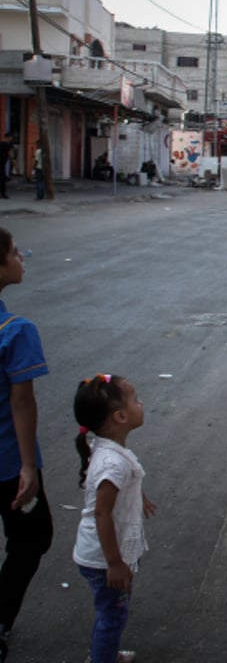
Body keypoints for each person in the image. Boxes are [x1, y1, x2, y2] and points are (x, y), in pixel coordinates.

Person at [73, 374, 154, 663]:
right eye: (135, 400)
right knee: (113, 616)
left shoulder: (109, 452)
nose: (141, 403)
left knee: (111, 612)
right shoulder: (113, 463)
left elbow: (113, 494)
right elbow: (102, 513)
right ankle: (102, 656)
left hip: (102, 554)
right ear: (120, 416)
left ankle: (104, 652)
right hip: (103, 558)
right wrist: (115, 563)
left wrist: (138, 496)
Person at [0, 228, 51, 662]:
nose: (21, 258)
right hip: (7, 463)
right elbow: (22, 402)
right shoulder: (15, 331)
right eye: (15, 253)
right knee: (33, 537)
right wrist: (28, 467)